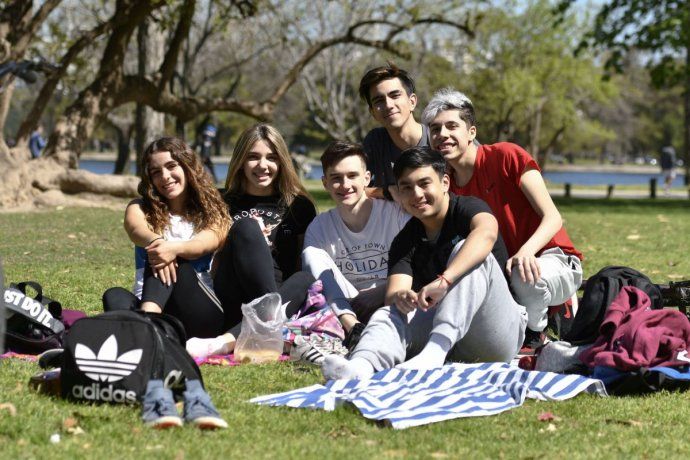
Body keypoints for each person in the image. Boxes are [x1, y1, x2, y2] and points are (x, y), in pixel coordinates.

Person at [322, 147, 526, 380]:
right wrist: (402, 297)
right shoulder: (405, 239)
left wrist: (445, 280)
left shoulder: (467, 208)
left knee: (469, 255)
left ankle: (436, 351)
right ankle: (360, 366)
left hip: (493, 335)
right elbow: (395, 295)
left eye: (424, 184)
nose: (416, 194)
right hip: (443, 336)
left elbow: (486, 233)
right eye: (406, 187)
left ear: (445, 182)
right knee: (388, 314)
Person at [421, 89, 583, 348]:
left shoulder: (506, 155)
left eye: (452, 126)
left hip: (551, 258)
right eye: (435, 129)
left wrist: (527, 251)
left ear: (471, 132)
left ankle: (536, 334)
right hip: (502, 270)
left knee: (523, 273)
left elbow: (553, 217)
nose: (443, 135)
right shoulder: (445, 185)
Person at [102, 136, 229, 429]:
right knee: (115, 296)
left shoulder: (212, 210)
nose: (164, 177)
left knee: (171, 257)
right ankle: (152, 333)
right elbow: (136, 229)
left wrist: (171, 249)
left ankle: (144, 329)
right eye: (155, 171)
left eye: (171, 166)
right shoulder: (140, 207)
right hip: (156, 305)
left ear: (188, 166)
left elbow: (205, 242)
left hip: (199, 311)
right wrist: (159, 241)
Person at [302, 141, 410, 349]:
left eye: (352, 176)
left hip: (396, 298)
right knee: (311, 256)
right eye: (336, 178)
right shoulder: (320, 226)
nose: (345, 185)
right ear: (325, 183)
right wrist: (349, 314)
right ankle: (353, 329)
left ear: (367, 178)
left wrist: (380, 292)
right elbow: (318, 276)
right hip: (348, 307)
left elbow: (422, 263)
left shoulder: (395, 214)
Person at [358, 64, 430, 201]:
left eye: (395, 95)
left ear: (412, 101)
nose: (388, 105)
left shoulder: (440, 138)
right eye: (379, 100)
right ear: (372, 112)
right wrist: (387, 191)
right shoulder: (375, 141)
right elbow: (352, 187)